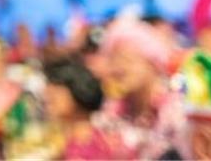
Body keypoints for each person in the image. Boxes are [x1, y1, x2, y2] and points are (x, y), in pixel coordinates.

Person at [94, 16, 190, 159]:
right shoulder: (112, 112)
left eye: (126, 60)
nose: (117, 68)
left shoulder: (176, 111)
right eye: (112, 61)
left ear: (152, 63)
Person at [44, 59, 134, 160]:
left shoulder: (83, 144)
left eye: (54, 95)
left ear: (78, 93)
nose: (47, 99)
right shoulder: (84, 137)